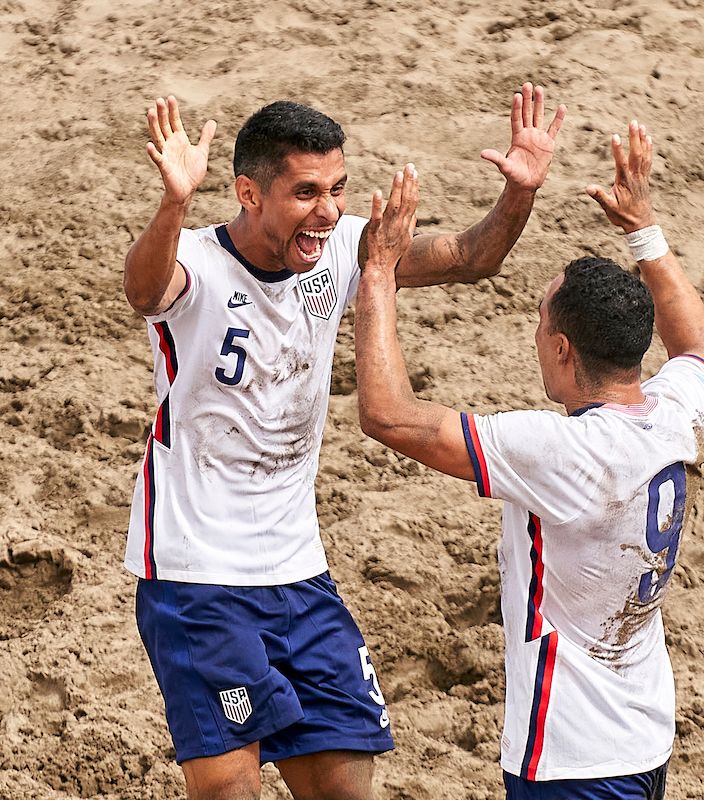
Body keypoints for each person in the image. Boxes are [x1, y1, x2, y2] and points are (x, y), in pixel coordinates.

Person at [122, 84, 565, 799]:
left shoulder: (341, 250)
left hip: (299, 569)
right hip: (197, 572)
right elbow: (145, 292)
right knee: (230, 787)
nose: (327, 210)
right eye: (305, 192)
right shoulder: (196, 261)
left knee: (345, 786)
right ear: (248, 193)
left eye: (337, 188)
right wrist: (174, 203)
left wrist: (520, 192)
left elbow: (469, 256)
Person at [354, 119, 703, 799]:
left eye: (542, 324)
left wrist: (377, 276)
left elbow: (388, 415)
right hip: (644, 734)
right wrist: (644, 231)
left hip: (571, 760)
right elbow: (694, 347)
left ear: (563, 348)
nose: (537, 336)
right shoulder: (672, 411)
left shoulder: (561, 452)